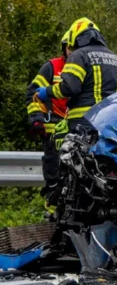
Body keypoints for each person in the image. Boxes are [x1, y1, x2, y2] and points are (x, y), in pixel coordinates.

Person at [36, 18, 117, 132]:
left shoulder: (78, 55)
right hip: (109, 122)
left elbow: (70, 87)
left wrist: (47, 92)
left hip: (83, 122)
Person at [25, 40, 70, 202]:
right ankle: (52, 208)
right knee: (53, 174)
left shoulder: (85, 67)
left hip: (77, 129)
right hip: (53, 128)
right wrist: (37, 119)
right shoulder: (52, 66)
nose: (73, 51)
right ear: (64, 48)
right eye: (69, 47)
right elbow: (33, 93)